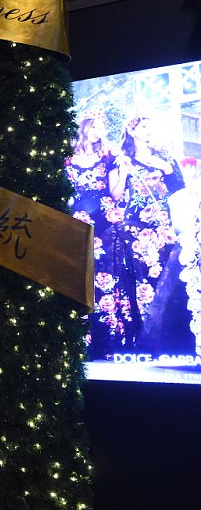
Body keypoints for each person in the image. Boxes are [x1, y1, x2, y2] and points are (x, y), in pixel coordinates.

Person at [107, 116, 185, 353]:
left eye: (150, 126)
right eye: (143, 126)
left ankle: (171, 334)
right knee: (144, 280)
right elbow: (116, 195)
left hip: (163, 223)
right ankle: (145, 337)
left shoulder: (164, 156)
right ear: (131, 131)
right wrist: (122, 172)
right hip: (136, 227)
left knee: (168, 276)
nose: (148, 130)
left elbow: (178, 190)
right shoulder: (122, 159)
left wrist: (165, 167)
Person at [66, 115, 120, 359]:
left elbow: (114, 193)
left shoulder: (107, 159)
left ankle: (105, 339)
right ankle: (79, 338)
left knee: (103, 276)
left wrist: (124, 173)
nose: (99, 132)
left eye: (102, 128)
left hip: (102, 225)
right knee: (77, 277)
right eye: (95, 127)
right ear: (85, 128)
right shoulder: (67, 159)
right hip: (74, 224)